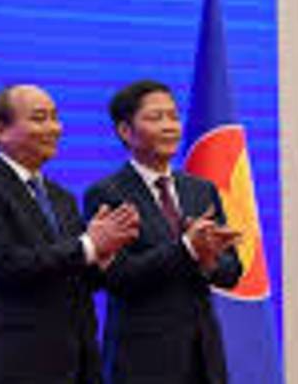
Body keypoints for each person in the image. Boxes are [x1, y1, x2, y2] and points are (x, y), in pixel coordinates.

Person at [0, 84, 141, 384]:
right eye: (40, 118)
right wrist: (88, 245)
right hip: (10, 365)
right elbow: (4, 265)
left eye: (55, 117)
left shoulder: (61, 197)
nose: (54, 128)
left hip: (73, 363)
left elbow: (71, 276)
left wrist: (102, 257)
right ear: (1, 130)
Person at [83, 80, 243, 384]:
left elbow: (232, 272)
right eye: (155, 118)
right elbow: (119, 277)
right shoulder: (107, 193)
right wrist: (187, 248)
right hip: (144, 357)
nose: (169, 126)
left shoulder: (200, 190)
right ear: (125, 131)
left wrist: (209, 261)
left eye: (173, 116)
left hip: (203, 355)